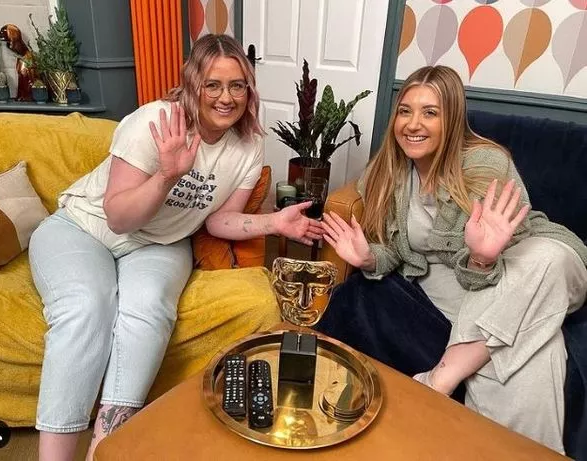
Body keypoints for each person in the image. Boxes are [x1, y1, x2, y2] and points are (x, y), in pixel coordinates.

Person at [29, 33, 324, 461]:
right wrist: (167, 175)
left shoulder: (248, 144)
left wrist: (274, 222)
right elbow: (118, 218)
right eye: (213, 85)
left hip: (159, 244)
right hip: (84, 228)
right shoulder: (155, 122)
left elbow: (219, 220)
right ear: (192, 85)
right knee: (86, 307)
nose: (226, 98)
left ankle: (105, 449)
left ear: (249, 90)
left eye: (237, 85)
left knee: (149, 308)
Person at [316, 65, 587, 453]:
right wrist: (368, 258)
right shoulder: (388, 171)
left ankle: (443, 375)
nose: (413, 124)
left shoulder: (486, 163)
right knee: (536, 353)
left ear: (453, 119)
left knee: (548, 257)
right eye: (405, 111)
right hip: (471, 307)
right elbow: (395, 252)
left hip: (521, 276)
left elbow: (515, 257)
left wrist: (482, 258)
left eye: (430, 112)